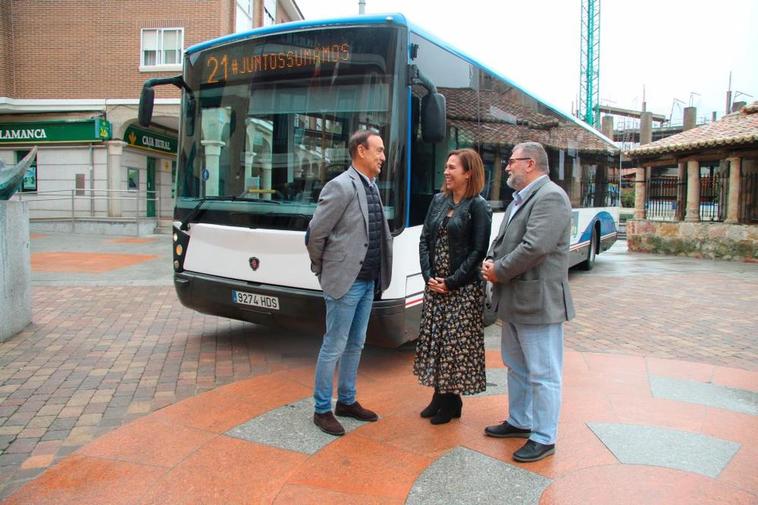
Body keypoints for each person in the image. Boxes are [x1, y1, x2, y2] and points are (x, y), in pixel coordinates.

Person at [481, 141, 575, 463]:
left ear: (530, 163)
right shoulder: (521, 200)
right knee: (517, 366)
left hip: (538, 303)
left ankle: (544, 436)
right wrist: (491, 260)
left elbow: (534, 247)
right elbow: (505, 239)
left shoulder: (550, 197)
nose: (507, 167)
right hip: (517, 301)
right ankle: (520, 421)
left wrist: (498, 271)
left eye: (511, 161)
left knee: (544, 373)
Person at [305, 129, 393, 436]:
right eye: (379, 150)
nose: (383, 156)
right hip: (345, 281)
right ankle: (321, 409)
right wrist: (322, 268)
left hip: (368, 281)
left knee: (356, 343)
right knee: (334, 345)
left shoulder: (371, 186)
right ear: (360, 151)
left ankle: (347, 400)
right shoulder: (340, 186)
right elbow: (316, 233)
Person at [413, 148, 492, 424]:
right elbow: (424, 240)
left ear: (468, 173)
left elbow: (478, 251)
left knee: (453, 346)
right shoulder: (438, 201)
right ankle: (439, 395)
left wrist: (451, 282)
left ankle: (451, 401)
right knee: (436, 342)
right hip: (436, 286)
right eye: (445, 167)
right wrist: (429, 277)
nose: (446, 172)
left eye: (452, 168)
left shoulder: (478, 206)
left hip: (462, 290)